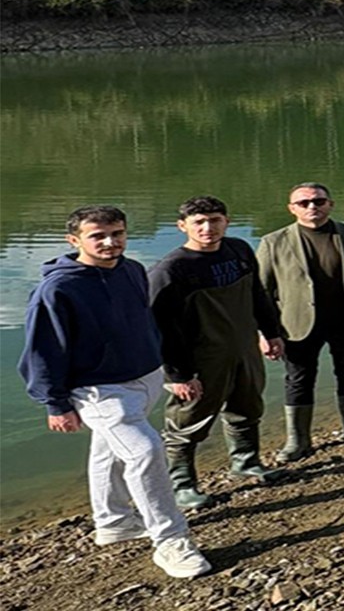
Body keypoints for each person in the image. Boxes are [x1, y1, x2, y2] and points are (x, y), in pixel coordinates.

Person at [17, 205, 211, 578]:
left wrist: (168, 370)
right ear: (74, 241)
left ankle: (114, 522)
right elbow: (42, 350)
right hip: (99, 390)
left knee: (109, 451)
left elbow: (146, 324)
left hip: (145, 377)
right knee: (145, 451)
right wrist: (55, 402)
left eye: (117, 233)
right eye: (98, 236)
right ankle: (171, 540)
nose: (110, 242)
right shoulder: (58, 287)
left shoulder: (132, 269)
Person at [149, 196, 285, 509]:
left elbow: (257, 295)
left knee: (248, 404)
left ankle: (246, 463)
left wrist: (271, 331)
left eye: (215, 220)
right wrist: (177, 374)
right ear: (182, 226)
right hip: (200, 357)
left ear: (226, 221)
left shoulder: (238, 250)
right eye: (199, 222)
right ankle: (181, 485)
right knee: (188, 420)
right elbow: (160, 329)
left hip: (243, 347)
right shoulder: (170, 270)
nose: (208, 228)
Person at [258, 182, 344, 463]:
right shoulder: (273, 242)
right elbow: (261, 292)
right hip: (296, 323)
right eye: (303, 203)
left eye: (318, 201)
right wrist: (265, 332)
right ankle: (298, 439)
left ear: (330, 204)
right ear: (292, 209)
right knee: (299, 379)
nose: (312, 207)